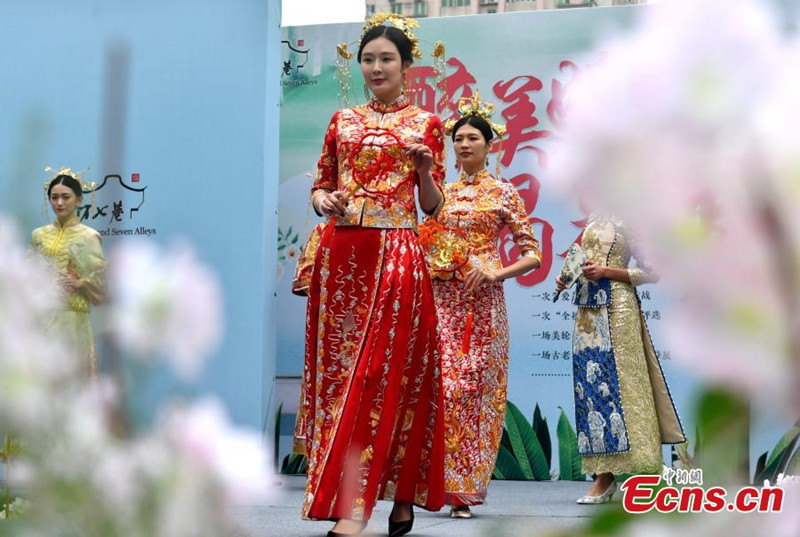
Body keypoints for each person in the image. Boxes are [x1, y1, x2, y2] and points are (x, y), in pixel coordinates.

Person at [294, 13, 446, 537]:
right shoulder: (343, 121)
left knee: (380, 374)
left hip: (396, 256)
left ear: (407, 66)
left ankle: (356, 510)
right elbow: (319, 186)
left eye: (387, 59)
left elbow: (432, 207)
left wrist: (424, 170)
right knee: (342, 381)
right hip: (342, 257)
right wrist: (323, 199)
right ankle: (380, 498)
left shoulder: (426, 125)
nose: (377, 67)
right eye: (369, 59)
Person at [420, 93, 541, 518]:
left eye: (473, 138)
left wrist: (495, 273)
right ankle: (439, 486)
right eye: (458, 139)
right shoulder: (444, 193)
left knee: (473, 392)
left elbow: (533, 254)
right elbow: (427, 228)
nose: (464, 145)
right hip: (442, 299)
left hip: (483, 304)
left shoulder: (505, 194)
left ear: (490, 146)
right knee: (443, 389)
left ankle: (466, 492)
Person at [555, 214, 685, 503]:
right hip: (587, 310)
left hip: (618, 309)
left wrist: (607, 272)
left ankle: (647, 474)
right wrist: (569, 275)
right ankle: (604, 475)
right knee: (592, 392)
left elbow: (653, 271)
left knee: (626, 388)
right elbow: (585, 260)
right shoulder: (594, 215)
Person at [31, 169, 107, 376]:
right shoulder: (38, 235)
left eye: (66, 197)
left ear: (79, 199)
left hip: (74, 323)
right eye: (54, 197)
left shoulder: (90, 237)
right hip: (43, 319)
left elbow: (102, 291)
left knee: (72, 384)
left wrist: (81, 284)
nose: (60, 203)